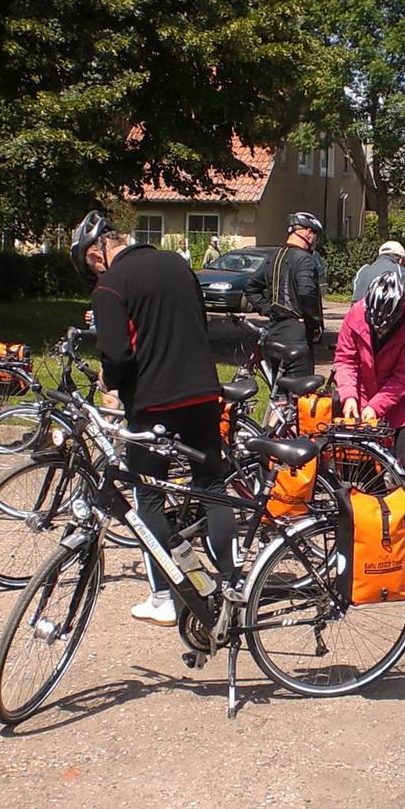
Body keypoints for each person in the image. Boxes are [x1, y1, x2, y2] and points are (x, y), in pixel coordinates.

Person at [73, 211, 236, 625]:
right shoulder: (178, 265)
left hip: (152, 403)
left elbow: (117, 354)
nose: (94, 274)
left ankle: (165, 594)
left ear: (97, 254)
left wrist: (110, 384)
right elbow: (201, 323)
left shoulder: (110, 285)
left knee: (147, 497)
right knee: (212, 488)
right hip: (202, 391)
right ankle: (232, 587)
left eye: (90, 267)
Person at [333, 270, 405, 565]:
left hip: (404, 403)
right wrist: (350, 395)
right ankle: (372, 527)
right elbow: (345, 359)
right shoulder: (355, 314)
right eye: (376, 325)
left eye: (386, 326)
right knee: (358, 466)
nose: (380, 331)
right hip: (363, 392)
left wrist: (377, 406)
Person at [245, 211, 324, 376]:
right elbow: (307, 292)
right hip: (297, 337)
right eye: (315, 236)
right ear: (309, 233)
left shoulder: (273, 257)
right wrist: (314, 322)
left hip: (273, 334)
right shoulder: (304, 259)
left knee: (278, 394)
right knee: (300, 396)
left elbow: (250, 287)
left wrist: (268, 309)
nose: (315, 241)